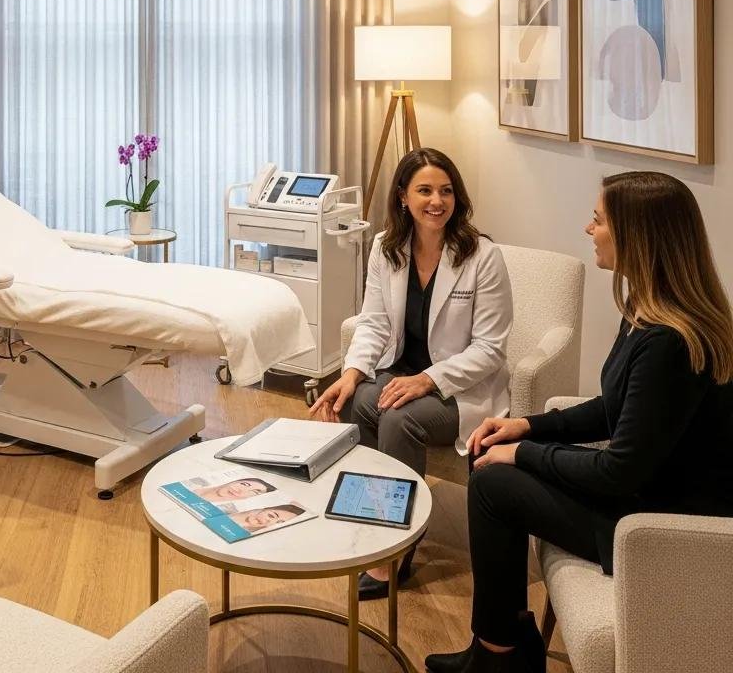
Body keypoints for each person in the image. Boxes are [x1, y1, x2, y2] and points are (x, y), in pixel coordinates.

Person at [427, 171, 733, 673]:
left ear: (637, 235)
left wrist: (522, 454)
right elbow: (611, 409)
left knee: (493, 485)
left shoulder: (671, 342)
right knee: (496, 468)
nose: (589, 229)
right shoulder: (645, 310)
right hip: (646, 497)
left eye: (599, 219)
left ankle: (498, 656)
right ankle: (505, 646)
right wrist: (527, 427)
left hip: (665, 529)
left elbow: (619, 473)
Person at [310, 147, 513, 598]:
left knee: (402, 418)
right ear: (403, 196)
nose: (436, 201)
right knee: (359, 400)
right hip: (401, 372)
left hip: (460, 388)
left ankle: (396, 545)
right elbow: (375, 322)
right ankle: (365, 518)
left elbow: (491, 350)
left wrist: (428, 380)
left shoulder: (483, 256)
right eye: (424, 190)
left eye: (445, 191)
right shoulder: (387, 248)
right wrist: (352, 372)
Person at [192, 477, 275, 504]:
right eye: (245, 484)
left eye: (254, 492)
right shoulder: (194, 485)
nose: (240, 491)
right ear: (235, 481)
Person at [229, 503, 306, 532]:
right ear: (265, 508)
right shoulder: (227, 508)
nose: (269, 522)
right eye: (271, 515)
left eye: (278, 523)